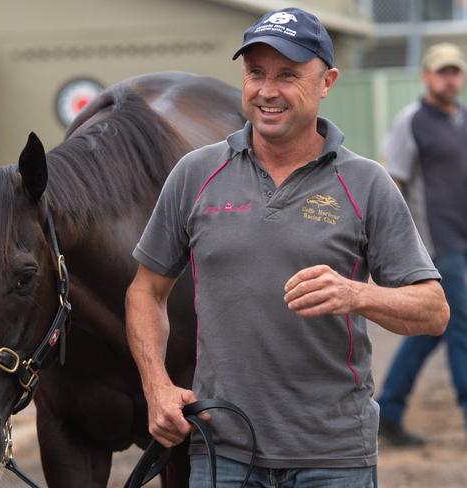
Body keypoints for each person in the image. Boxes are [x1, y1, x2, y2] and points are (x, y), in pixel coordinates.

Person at [125, 7, 449, 488]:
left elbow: (434, 310)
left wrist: (357, 295)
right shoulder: (196, 174)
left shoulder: (366, 184)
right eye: (255, 73)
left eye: (288, 75)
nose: (267, 91)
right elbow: (145, 292)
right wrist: (157, 387)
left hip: (334, 458)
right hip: (223, 453)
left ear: (327, 82)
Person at [376, 42, 467, 447]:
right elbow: (390, 184)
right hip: (436, 242)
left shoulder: (463, 119)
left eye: (455, 71)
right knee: (462, 327)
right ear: (426, 77)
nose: (450, 78)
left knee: (434, 329)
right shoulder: (410, 121)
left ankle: (389, 410)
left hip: (463, 240)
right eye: (442, 71)